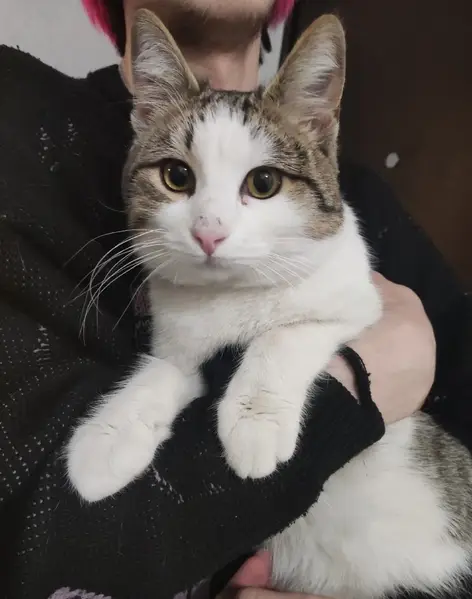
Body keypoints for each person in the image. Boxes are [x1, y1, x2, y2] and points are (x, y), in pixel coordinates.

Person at [0, 1, 470, 599]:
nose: (211, 229)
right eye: (177, 177)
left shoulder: (361, 209)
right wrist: (358, 378)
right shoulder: (18, 117)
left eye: (262, 182)